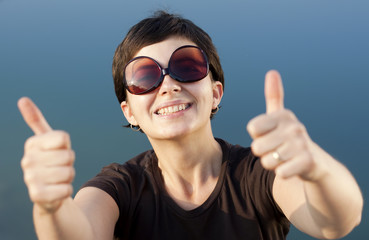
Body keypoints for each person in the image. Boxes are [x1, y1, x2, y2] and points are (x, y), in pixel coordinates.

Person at [18, 11, 363, 240]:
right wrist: (51, 206)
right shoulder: (120, 188)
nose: (168, 85)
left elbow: (337, 221)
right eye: (145, 76)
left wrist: (315, 167)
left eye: (187, 66)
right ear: (129, 112)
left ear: (215, 93)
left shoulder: (259, 174)